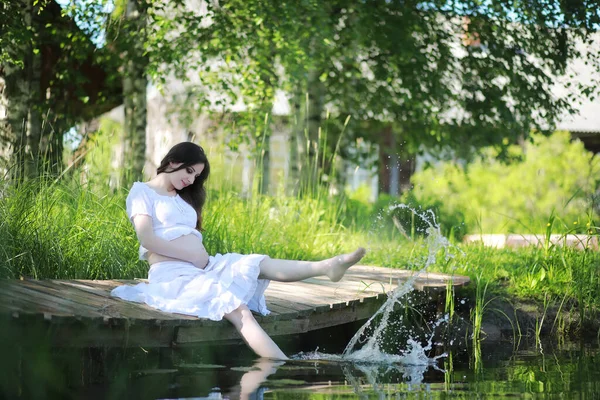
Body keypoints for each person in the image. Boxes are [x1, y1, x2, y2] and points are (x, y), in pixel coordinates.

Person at [111, 142, 366, 360]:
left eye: (196, 176)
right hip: (173, 275)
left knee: (257, 263)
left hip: (205, 267)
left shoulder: (182, 197)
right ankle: (284, 367)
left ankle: (327, 267)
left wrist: (197, 257)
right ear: (173, 161)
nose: (191, 180)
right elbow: (148, 240)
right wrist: (190, 255)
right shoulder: (142, 192)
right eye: (189, 171)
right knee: (239, 310)